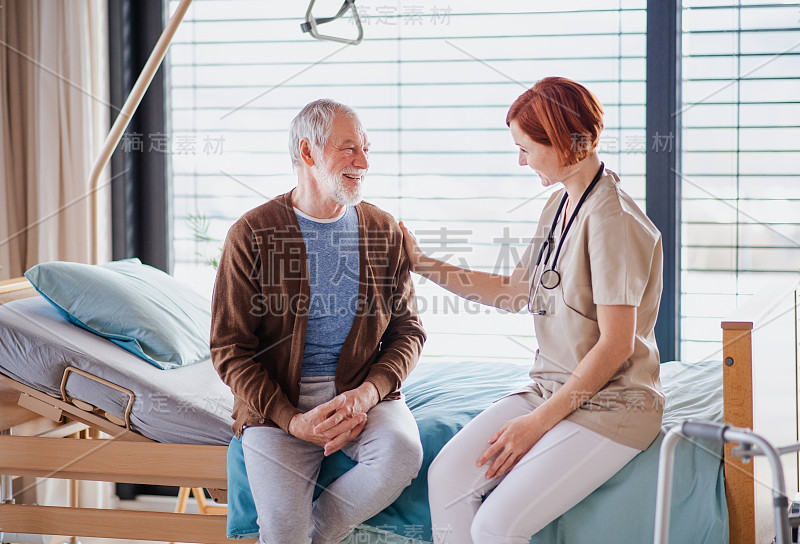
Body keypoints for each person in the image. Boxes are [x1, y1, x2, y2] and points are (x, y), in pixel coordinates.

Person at [399, 76, 664, 544]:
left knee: (497, 527)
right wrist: (421, 262)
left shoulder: (613, 221)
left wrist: (535, 425)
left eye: (526, 148)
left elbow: (616, 344)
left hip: (612, 404)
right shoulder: (559, 203)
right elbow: (513, 292)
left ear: (565, 142)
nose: (521, 160)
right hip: (552, 387)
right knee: (447, 480)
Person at [211, 99, 426, 544]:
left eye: (366, 148)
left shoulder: (382, 229)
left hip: (362, 394)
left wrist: (367, 395)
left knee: (402, 453)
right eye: (349, 149)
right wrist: (293, 421)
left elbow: (408, 331)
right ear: (308, 153)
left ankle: (317, 536)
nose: (363, 162)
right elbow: (230, 350)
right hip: (279, 405)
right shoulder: (252, 234)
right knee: (279, 529)